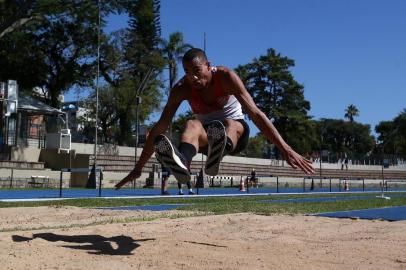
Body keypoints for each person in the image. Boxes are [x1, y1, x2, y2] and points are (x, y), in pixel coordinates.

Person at [115, 48, 314, 190]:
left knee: (228, 124)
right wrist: (138, 168)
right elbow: (160, 128)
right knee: (191, 124)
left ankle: (219, 150)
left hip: (236, 133)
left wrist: (285, 149)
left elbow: (256, 114)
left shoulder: (226, 77)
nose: (192, 78)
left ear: (208, 66)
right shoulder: (181, 89)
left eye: (196, 71)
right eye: (187, 72)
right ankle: (183, 162)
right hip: (206, 136)